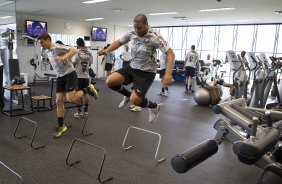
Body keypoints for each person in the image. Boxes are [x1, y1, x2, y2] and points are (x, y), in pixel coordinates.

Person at [97, 14, 175, 123]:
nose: (137, 30)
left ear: (146, 25)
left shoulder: (155, 37)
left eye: (139, 28)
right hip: (132, 67)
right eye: (135, 27)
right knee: (110, 81)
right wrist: (107, 50)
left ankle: (154, 107)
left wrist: (168, 73)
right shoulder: (131, 33)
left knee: (136, 101)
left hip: (146, 73)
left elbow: (170, 53)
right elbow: (119, 42)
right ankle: (128, 95)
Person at [38, 33, 99, 138]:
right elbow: (54, 60)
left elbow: (74, 50)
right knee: (58, 101)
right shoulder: (48, 51)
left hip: (70, 74)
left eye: (42, 42)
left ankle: (88, 89)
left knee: (70, 98)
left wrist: (63, 58)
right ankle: (61, 126)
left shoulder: (57, 47)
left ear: (48, 39)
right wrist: (50, 61)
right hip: (60, 76)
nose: (41, 45)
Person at [72, 38, 93, 117]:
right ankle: (86, 111)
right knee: (85, 93)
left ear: (77, 44)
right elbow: (90, 64)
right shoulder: (90, 53)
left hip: (78, 76)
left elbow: (74, 64)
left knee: (77, 93)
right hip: (86, 76)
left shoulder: (77, 53)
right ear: (84, 43)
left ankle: (79, 112)